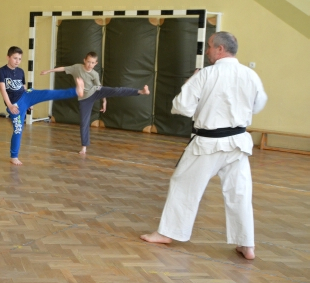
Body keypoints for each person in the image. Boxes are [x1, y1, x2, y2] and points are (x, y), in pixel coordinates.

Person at [141, 32, 267, 260]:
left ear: (220, 49)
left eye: (209, 46)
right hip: (238, 144)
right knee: (239, 193)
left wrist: (189, 84)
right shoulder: (251, 75)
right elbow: (257, 106)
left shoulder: (206, 74)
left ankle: (167, 233)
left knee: (183, 185)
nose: (207, 50)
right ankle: (246, 244)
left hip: (208, 144)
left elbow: (182, 107)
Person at [42, 51, 149, 155]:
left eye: (93, 63)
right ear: (84, 60)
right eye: (88, 62)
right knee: (84, 122)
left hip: (96, 91)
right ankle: (84, 147)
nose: (90, 65)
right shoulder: (76, 68)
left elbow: (99, 87)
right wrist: (49, 71)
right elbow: (63, 68)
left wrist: (104, 101)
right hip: (85, 99)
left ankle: (140, 91)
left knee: (116, 90)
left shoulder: (94, 74)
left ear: (96, 63)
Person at [0, 46, 84, 165]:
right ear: (8, 57)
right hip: (15, 104)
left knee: (46, 93)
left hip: (25, 96)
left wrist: (28, 102)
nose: (17, 61)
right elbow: (2, 90)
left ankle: (75, 91)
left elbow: (23, 87)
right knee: (18, 130)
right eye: (15, 58)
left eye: (20, 59)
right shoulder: (2, 71)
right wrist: (10, 105)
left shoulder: (20, 71)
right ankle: (14, 156)